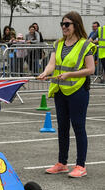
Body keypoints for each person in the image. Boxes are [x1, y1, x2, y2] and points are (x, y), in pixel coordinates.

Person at [38, 11, 96, 178]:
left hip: (78, 90)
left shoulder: (85, 45)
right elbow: (52, 64)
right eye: (62, 24)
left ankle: (80, 165)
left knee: (78, 126)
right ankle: (62, 163)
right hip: (60, 90)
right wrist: (45, 72)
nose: (64, 27)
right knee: (62, 127)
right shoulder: (58, 44)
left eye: (67, 24)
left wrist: (70, 75)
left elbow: (90, 69)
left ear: (76, 25)